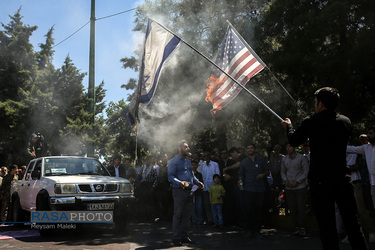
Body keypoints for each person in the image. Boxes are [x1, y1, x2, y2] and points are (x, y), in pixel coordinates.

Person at [281, 87, 367, 249]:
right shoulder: (345, 121)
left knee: (327, 229)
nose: (315, 105)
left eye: (315, 102)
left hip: (320, 183)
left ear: (320, 103)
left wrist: (289, 127)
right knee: (353, 226)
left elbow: (294, 141)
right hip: (342, 179)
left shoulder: (311, 121)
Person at [168, 140, 204, 246]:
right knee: (178, 214)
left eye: (188, 147)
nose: (188, 148)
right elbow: (170, 176)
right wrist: (180, 183)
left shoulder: (188, 161)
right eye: (185, 147)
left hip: (190, 191)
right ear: (180, 149)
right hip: (179, 191)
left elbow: (192, 175)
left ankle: (184, 236)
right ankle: (176, 237)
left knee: (187, 216)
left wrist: (198, 182)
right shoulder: (173, 161)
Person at [347, 127, 375, 242]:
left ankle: (371, 231)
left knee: (362, 209)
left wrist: (347, 168)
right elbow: (350, 149)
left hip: (358, 183)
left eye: (371, 133)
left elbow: (358, 165)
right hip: (372, 183)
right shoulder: (366, 148)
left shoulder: (362, 151)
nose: (368, 135)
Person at [239, 144, 270, 239]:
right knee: (249, 209)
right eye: (248, 148)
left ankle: (257, 230)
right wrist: (240, 183)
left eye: (251, 148)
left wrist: (262, 174)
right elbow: (241, 175)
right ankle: (249, 230)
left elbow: (268, 171)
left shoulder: (261, 160)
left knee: (258, 210)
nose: (249, 150)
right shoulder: (244, 162)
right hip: (248, 189)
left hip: (260, 189)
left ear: (255, 149)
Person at [281, 143, 309, 237]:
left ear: (294, 147)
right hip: (289, 187)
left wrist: (298, 181)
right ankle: (296, 226)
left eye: (290, 146)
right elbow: (283, 171)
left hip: (300, 187)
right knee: (292, 208)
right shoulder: (285, 159)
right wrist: (285, 180)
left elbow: (306, 171)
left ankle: (303, 227)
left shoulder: (301, 158)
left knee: (301, 207)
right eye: (287, 146)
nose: (288, 148)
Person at [201, 150, 220, 225]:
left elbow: (217, 175)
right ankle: (210, 221)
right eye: (204, 156)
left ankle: (217, 221)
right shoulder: (203, 165)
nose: (206, 157)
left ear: (210, 156)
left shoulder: (215, 164)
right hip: (205, 188)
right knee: (207, 205)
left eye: (207, 155)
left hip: (214, 188)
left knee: (215, 205)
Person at [191, 160, 204, 226]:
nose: (194, 166)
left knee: (199, 207)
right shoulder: (189, 175)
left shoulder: (199, 174)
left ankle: (200, 221)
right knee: (193, 208)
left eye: (195, 165)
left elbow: (201, 183)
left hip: (198, 193)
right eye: (192, 165)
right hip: (191, 193)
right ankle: (194, 221)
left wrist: (198, 187)